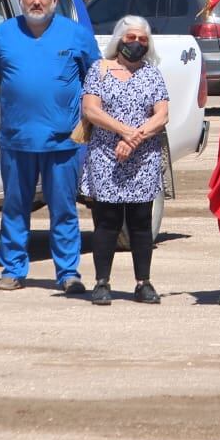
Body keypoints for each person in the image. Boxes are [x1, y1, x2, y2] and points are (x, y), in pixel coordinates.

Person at [0, 0, 101, 293]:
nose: (36, 2)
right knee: (15, 207)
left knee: (63, 209)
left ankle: (68, 273)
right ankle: (13, 270)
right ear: (20, 0)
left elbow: (95, 79)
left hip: (63, 140)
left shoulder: (75, 35)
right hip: (17, 139)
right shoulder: (3, 34)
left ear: (54, 0)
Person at [80, 16, 169, 306]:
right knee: (107, 221)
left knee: (141, 222)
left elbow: (162, 115)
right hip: (106, 155)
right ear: (120, 38)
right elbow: (91, 110)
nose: (136, 43)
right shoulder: (100, 70)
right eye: (131, 38)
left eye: (142, 39)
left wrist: (134, 139)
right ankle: (102, 282)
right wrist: (123, 131)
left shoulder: (152, 74)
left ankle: (143, 282)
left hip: (143, 157)